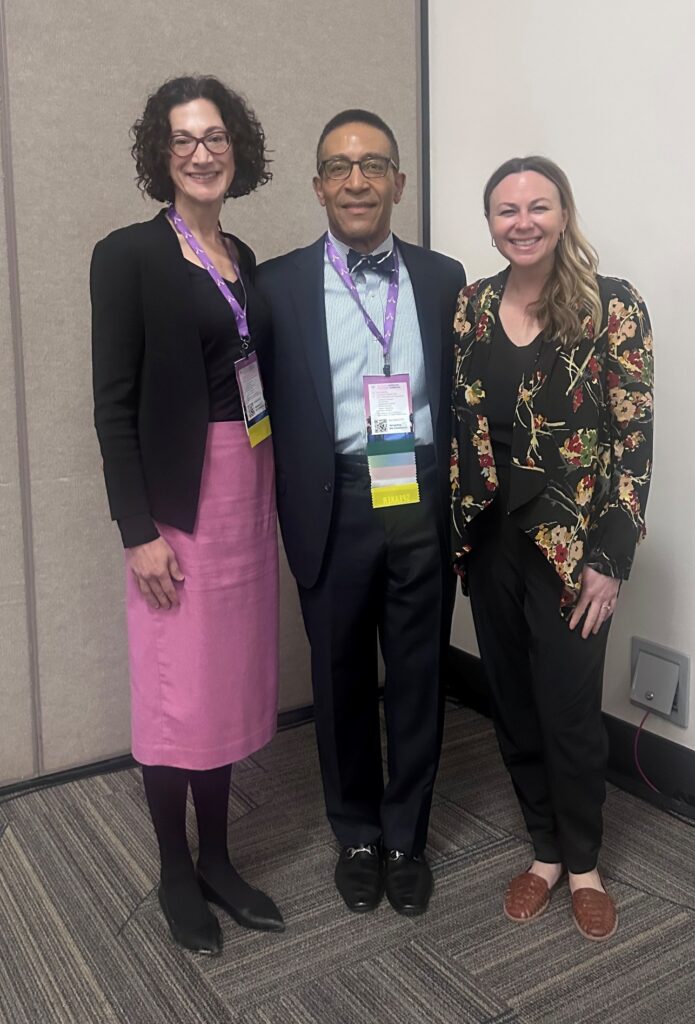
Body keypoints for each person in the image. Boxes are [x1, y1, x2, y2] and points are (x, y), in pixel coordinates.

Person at [91, 76, 284, 954]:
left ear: (236, 147)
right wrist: (137, 532)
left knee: (225, 684)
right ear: (159, 154)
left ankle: (219, 860)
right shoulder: (128, 255)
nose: (202, 154)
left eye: (215, 137)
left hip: (247, 487)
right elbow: (113, 405)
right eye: (183, 140)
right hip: (177, 502)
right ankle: (176, 868)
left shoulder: (241, 253)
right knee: (177, 692)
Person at [256, 110, 466, 916]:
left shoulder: (444, 278)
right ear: (318, 186)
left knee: (417, 673)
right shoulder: (276, 285)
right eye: (340, 167)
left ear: (398, 183)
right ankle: (356, 833)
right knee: (339, 675)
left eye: (373, 165)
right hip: (332, 499)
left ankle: (406, 835)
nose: (356, 181)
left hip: (417, 490)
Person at [451, 156, 653, 941]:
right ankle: (543, 849)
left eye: (539, 206)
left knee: (568, 708)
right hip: (490, 535)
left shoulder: (610, 306)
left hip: (572, 548)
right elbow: (463, 424)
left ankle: (584, 865)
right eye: (507, 210)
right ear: (491, 223)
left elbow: (633, 439)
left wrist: (612, 557)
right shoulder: (472, 305)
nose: (523, 222)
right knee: (512, 700)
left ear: (564, 214)